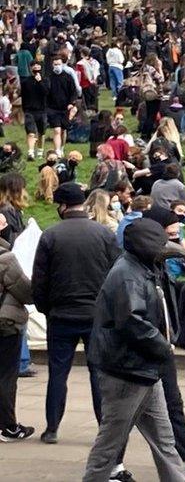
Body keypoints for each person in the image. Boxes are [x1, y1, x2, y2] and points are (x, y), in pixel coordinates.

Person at [82, 218, 184, 482]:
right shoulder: (127, 275)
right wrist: (164, 348)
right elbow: (132, 322)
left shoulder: (144, 268)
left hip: (143, 367)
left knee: (164, 439)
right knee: (111, 441)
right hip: (126, 370)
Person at [33, 183, 121, 446]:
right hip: (95, 315)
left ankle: (51, 428)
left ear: (62, 206)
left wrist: (46, 309)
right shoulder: (104, 234)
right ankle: (104, 428)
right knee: (98, 374)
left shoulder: (50, 236)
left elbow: (39, 281)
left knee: (58, 373)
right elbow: (117, 273)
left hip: (61, 315)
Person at [0, 233, 33, 442]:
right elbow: (26, 292)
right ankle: (8, 427)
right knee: (5, 376)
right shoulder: (5, 259)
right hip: (5, 325)